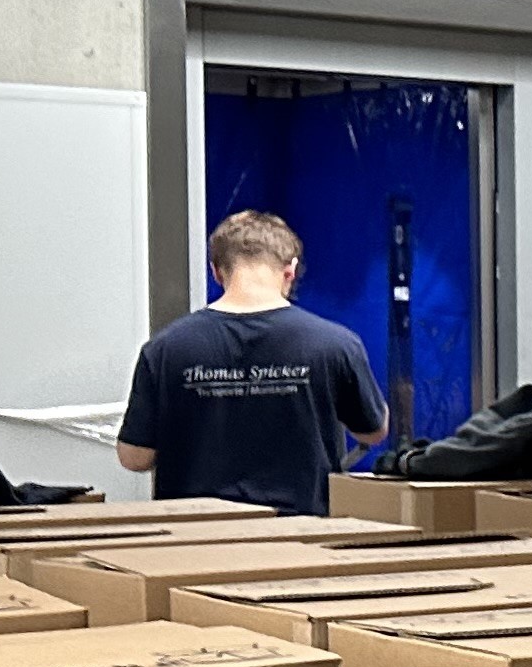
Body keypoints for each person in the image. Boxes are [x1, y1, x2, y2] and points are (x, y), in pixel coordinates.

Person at [117, 209, 388, 514]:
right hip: (302, 535)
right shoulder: (336, 344)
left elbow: (134, 457)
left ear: (217, 271)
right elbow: (373, 431)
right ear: (290, 271)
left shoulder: (164, 348)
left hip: (193, 539)